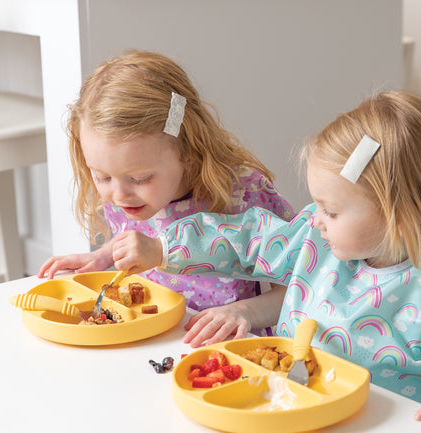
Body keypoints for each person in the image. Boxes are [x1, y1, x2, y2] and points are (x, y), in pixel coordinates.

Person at [110, 91, 421, 423]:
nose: (316, 219)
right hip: (286, 411)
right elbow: (246, 237)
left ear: (400, 214)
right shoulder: (314, 241)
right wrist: (164, 248)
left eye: (331, 211)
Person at [37, 49, 294, 340]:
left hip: (228, 350)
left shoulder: (245, 196)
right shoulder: (131, 196)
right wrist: (102, 256)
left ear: (187, 150)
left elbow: (301, 288)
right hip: (158, 341)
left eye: (140, 178)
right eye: (102, 176)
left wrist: (245, 312)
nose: (119, 195)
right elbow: (142, 233)